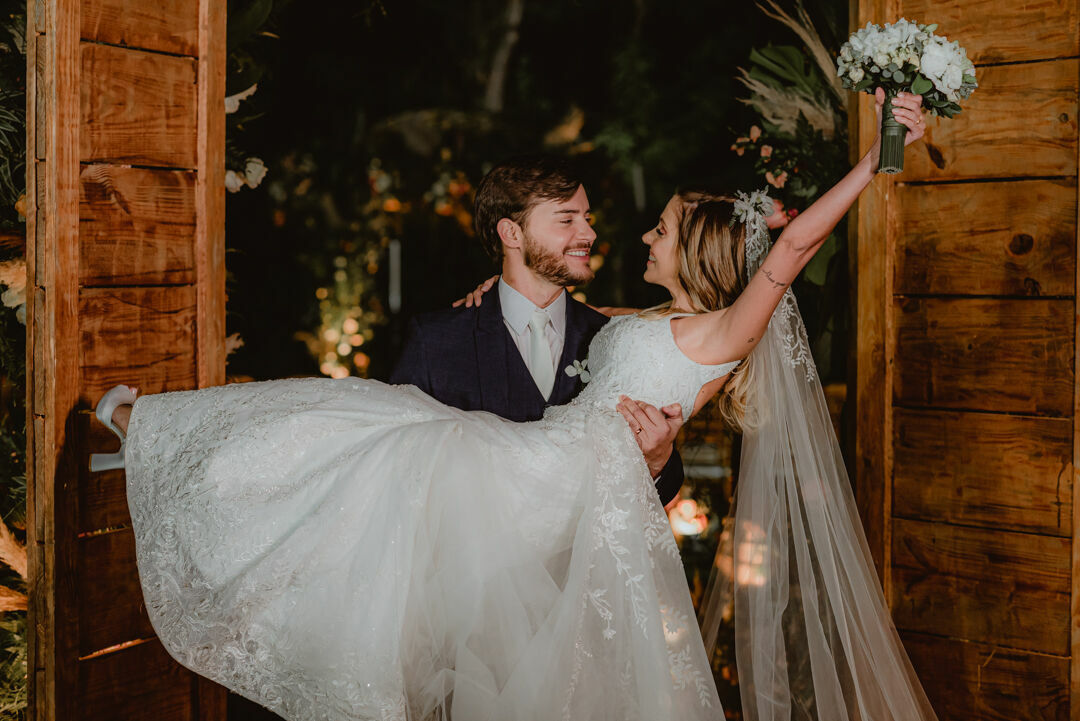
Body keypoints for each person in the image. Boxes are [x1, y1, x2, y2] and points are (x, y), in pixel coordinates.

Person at [92, 88, 934, 721]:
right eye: (579, 219)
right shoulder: (635, 322)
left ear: (702, 252)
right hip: (531, 481)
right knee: (359, 428)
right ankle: (162, 445)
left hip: (553, 486)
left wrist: (875, 158)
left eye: (663, 228)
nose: (638, 235)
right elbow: (602, 342)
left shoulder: (719, 335)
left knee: (368, 439)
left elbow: (789, 248)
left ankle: (156, 440)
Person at [389, 155, 686, 505]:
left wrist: (657, 461)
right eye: (567, 219)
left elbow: (657, 493)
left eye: (587, 218)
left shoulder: (614, 337)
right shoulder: (437, 341)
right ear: (512, 233)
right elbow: (394, 471)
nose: (589, 233)